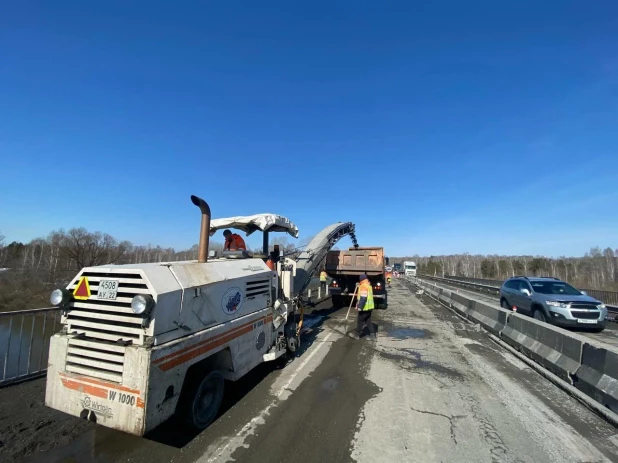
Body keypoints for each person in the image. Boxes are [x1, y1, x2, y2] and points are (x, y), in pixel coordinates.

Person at [349, 273, 377, 341]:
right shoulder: (368, 285)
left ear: (361, 279)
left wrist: (360, 307)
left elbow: (363, 298)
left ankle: (357, 335)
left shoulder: (363, 286)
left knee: (360, 321)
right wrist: (359, 285)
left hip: (365, 308)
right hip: (370, 307)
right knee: (368, 321)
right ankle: (373, 335)